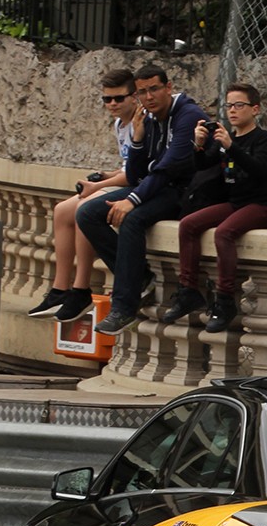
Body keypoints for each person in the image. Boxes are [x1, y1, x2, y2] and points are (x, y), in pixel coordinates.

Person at [70, 64, 206, 335]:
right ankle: (139, 276)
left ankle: (123, 308)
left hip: (186, 192)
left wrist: (132, 200)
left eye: (154, 89)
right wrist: (138, 139)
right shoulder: (150, 118)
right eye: (142, 92)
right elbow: (135, 175)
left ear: (168, 87)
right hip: (156, 187)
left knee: (131, 219)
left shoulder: (187, 115)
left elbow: (168, 167)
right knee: (86, 213)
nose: (148, 97)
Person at [161, 84, 267, 334]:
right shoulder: (226, 138)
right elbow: (203, 164)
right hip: (235, 201)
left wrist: (232, 146)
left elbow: (260, 170)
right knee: (189, 224)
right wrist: (199, 144)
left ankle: (225, 301)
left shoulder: (262, 138)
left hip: (260, 203)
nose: (233, 111)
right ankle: (188, 291)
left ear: (254, 109)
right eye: (229, 106)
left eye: (239, 105)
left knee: (224, 233)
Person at [25, 69, 140, 320]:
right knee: (61, 211)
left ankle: (81, 288)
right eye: (106, 99)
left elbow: (137, 173)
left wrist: (97, 187)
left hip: (139, 187)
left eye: (118, 99)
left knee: (83, 208)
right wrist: (104, 176)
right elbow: (126, 166)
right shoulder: (120, 123)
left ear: (134, 97)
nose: (112, 104)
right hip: (124, 181)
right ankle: (59, 288)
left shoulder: (142, 122)